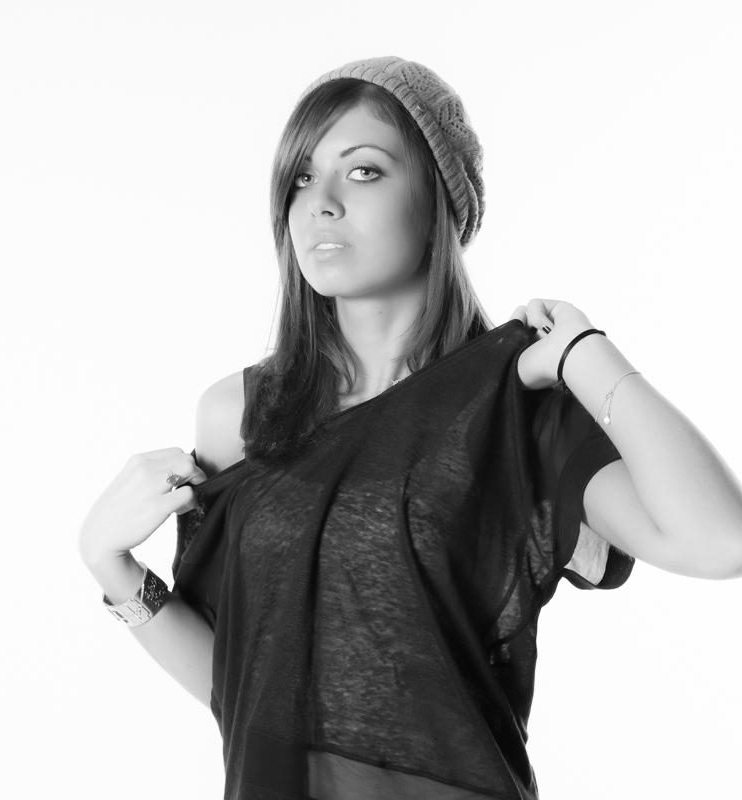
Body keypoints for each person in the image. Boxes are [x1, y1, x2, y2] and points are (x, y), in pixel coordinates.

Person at [78, 56, 742, 800]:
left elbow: (721, 542)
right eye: (301, 178)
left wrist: (586, 351)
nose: (320, 204)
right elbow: (246, 686)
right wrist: (112, 566)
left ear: (440, 198)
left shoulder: (519, 408)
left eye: (363, 171)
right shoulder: (242, 416)